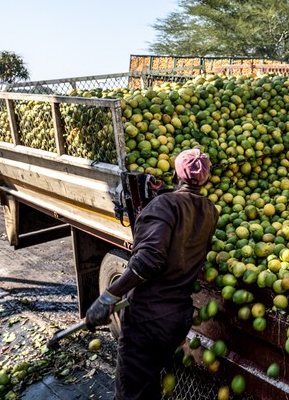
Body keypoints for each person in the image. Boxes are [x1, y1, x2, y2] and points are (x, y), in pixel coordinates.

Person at [85, 148, 219, 400]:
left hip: (149, 319)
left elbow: (147, 261)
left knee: (132, 392)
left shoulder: (164, 205)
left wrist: (109, 296)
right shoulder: (210, 211)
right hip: (177, 319)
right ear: (206, 180)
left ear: (175, 174)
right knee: (149, 382)